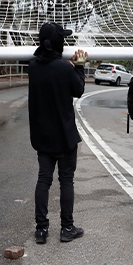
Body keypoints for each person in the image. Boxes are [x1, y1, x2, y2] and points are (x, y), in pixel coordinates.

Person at [28, 23, 88, 244]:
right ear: (58, 44)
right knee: (66, 181)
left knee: (43, 180)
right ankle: (67, 228)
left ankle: (41, 230)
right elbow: (78, 89)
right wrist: (79, 66)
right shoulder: (64, 68)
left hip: (42, 138)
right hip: (64, 136)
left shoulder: (33, 66)